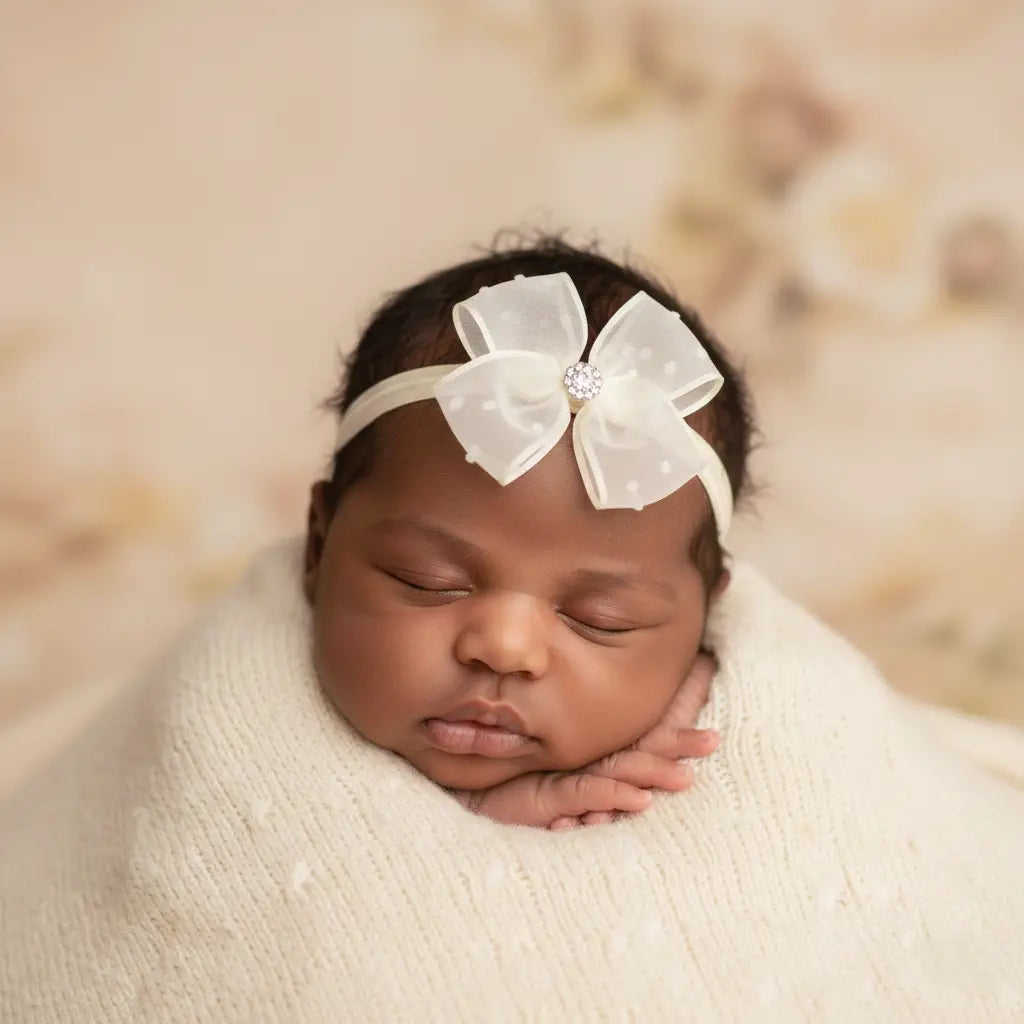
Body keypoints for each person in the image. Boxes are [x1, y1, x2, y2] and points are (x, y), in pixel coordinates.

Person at [303, 235, 751, 828]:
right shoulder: (235, 703)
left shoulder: (765, 719)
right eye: (429, 580)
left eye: (601, 618)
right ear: (319, 542)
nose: (505, 648)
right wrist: (479, 817)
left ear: (702, 620)